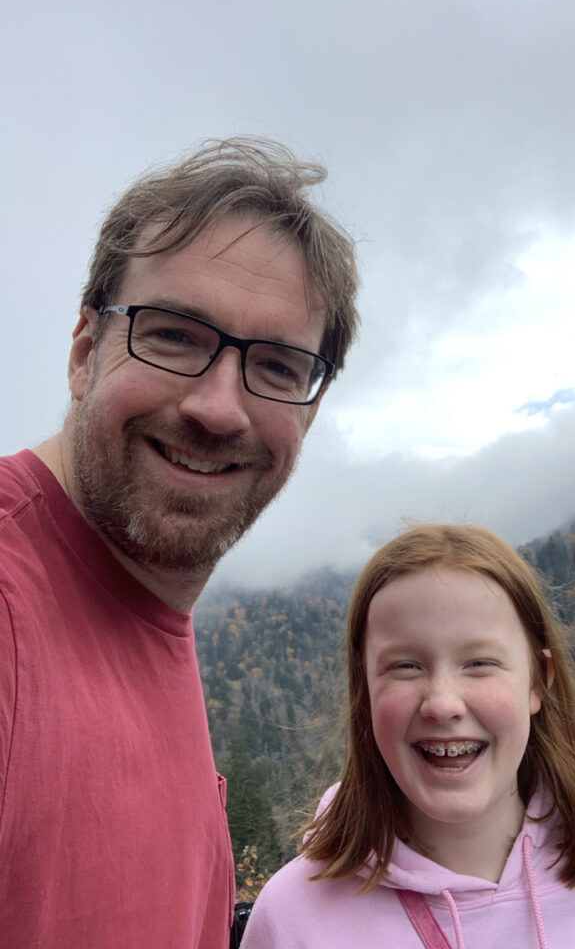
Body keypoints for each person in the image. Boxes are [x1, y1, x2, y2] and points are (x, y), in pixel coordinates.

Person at [0, 137, 359, 949]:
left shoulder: (149, 615)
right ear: (86, 350)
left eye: (275, 365)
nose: (219, 408)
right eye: (173, 336)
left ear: (307, 408)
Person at [242, 524, 575, 948]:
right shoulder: (293, 919)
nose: (442, 702)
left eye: (479, 663)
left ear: (538, 682)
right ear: (365, 690)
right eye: (406, 666)